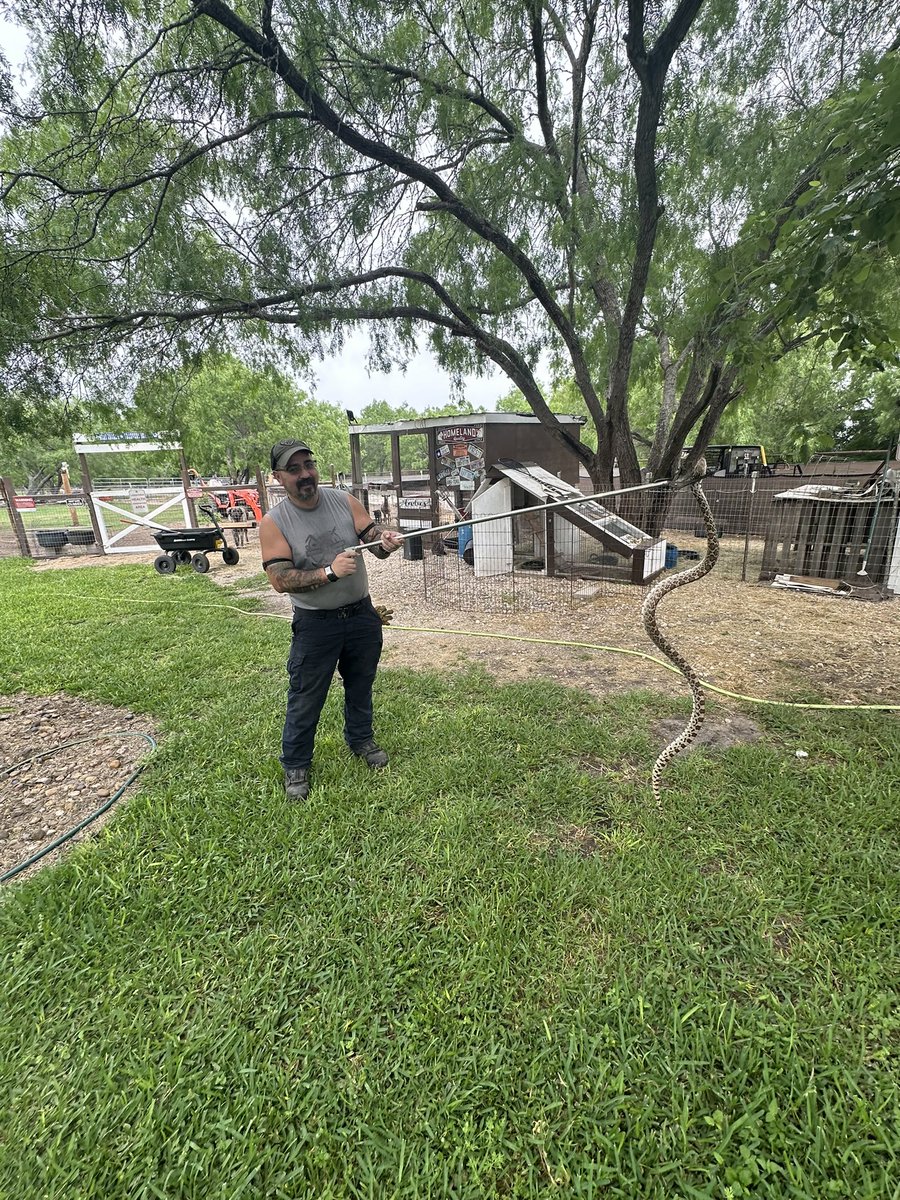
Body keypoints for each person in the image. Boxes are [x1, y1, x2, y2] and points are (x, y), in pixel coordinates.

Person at [260, 438, 403, 800]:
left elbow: (370, 538)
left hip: (361, 616)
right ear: (278, 477)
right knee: (306, 695)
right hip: (315, 625)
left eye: (309, 465)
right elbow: (279, 580)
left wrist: (382, 540)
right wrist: (329, 572)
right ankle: (296, 764)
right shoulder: (274, 522)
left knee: (361, 684)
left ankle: (361, 740)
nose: (305, 474)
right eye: (294, 469)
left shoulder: (343, 500)